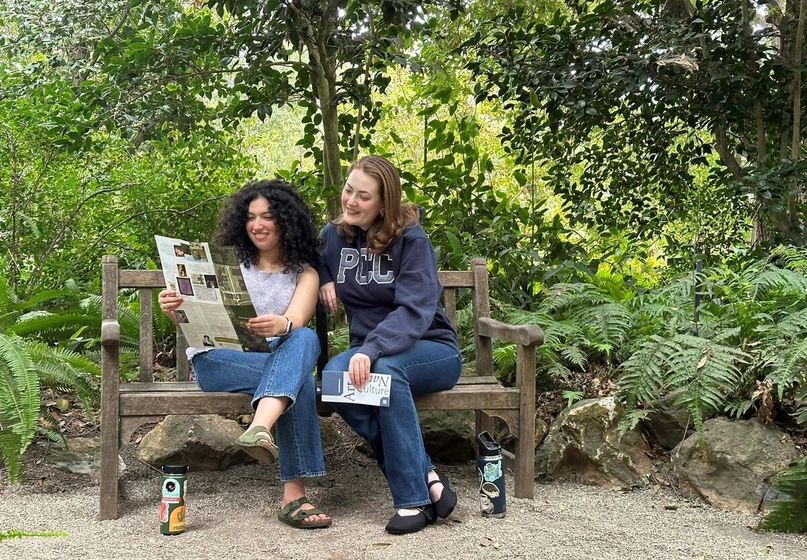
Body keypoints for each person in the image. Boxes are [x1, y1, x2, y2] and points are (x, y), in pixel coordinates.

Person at [158, 179, 331, 529]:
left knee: (304, 338)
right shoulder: (226, 265)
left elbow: (295, 320)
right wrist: (172, 308)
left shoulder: (305, 274)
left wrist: (280, 324)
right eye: (250, 218)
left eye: (267, 216)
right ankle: (294, 496)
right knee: (295, 378)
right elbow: (194, 322)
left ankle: (260, 426)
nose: (257, 225)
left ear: (286, 220)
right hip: (218, 361)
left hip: (273, 355)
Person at [318, 155, 462, 535]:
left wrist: (371, 348)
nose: (351, 201)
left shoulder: (411, 239)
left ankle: (411, 499)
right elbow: (306, 259)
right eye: (349, 190)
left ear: (384, 204)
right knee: (334, 379)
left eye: (363, 197)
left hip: (430, 349)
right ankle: (427, 473)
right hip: (372, 351)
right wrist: (322, 277)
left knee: (386, 372)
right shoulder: (334, 235)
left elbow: (415, 309)